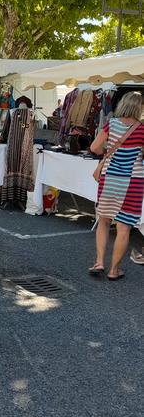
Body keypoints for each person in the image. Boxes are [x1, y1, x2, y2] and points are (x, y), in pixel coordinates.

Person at [89, 91, 144, 280]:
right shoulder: (142, 129)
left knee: (104, 220)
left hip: (110, 178)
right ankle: (114, 270)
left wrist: (108, 152)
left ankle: (99, 262)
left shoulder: (111, 124)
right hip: (133, 181)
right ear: (139, 108)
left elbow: (94, 148)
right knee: (124, 227)